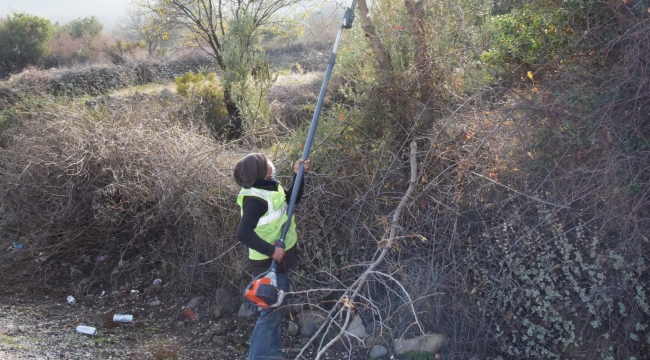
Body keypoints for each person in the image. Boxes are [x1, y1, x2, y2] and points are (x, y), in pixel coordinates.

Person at [233, 153, 310, 360]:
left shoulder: (268, 186)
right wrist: (272, 251)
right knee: (270, 311)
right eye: (266, 166)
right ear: (258, 172)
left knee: (277, 307)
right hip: (267, 262)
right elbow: (243, 233)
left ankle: (272, 354)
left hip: (278, 259)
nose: (271, 167)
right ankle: (257, 356)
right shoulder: (255, 199)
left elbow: (293, 200)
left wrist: (298, 175)